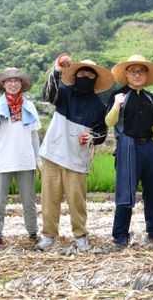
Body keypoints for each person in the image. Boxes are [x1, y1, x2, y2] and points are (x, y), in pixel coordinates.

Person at [36, 54, 113, 252]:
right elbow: (48, 93)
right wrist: (57, 68)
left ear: (95, 80)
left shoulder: (99, 106)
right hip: (53, 153)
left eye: (90, 75)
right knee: (49, 199)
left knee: (77, 201)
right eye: (82, 74)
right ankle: (48, 236)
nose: (85, 77)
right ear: (75, 75)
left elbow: (102, 133)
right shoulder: (63, 94)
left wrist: (91, 137)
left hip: (77, 158)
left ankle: (80, 236)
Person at [107, 55, 153, 247]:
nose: (137, 75)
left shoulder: (150, 97)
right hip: (127, 147)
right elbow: (109, 122)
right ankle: (120, 236)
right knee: (125, 192)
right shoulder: (118, 95)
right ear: (126, 74)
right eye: (133, 71)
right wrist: (116, 106)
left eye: (141, 71)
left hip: (149, 148)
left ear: (146, 75)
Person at [0, 67, 41, 248]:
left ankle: (33, 233)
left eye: (17, 80)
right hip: (2, 161)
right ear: (3, 84)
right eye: (9, 81)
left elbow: (34, 135)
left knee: (29, 202)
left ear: (21, 84)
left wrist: (38, 159)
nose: (13, 84)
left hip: (25, 160)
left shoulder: (29, 106)